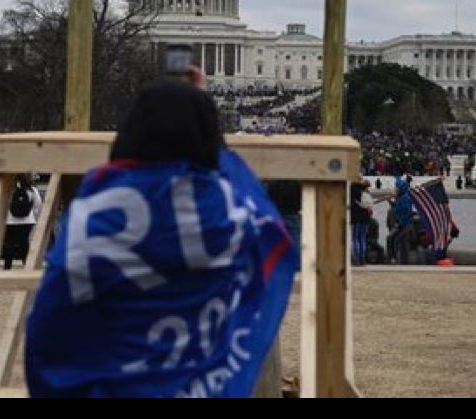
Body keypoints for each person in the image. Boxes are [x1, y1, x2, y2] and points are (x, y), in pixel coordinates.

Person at [25, 79, 298, 398]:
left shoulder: (94, 212)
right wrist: (200, 118)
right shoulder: (229, 209)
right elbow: (265, 224)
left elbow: (51, 322)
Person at [3, 174, 43, 269]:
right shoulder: (32, 190)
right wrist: (33, 215)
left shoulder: (8, 188)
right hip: (28, 220)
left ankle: (7, 266)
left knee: (9, 244)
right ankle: (27, 265)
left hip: (10, 221)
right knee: (24, 243)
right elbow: (38, 205)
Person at [349, 179, 373, 267]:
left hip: (355, 218)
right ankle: (363, 259)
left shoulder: (351, 191)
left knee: (355, 238)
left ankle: (356, 259)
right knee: (362, 238)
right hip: (365, 218)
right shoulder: (365, 191)